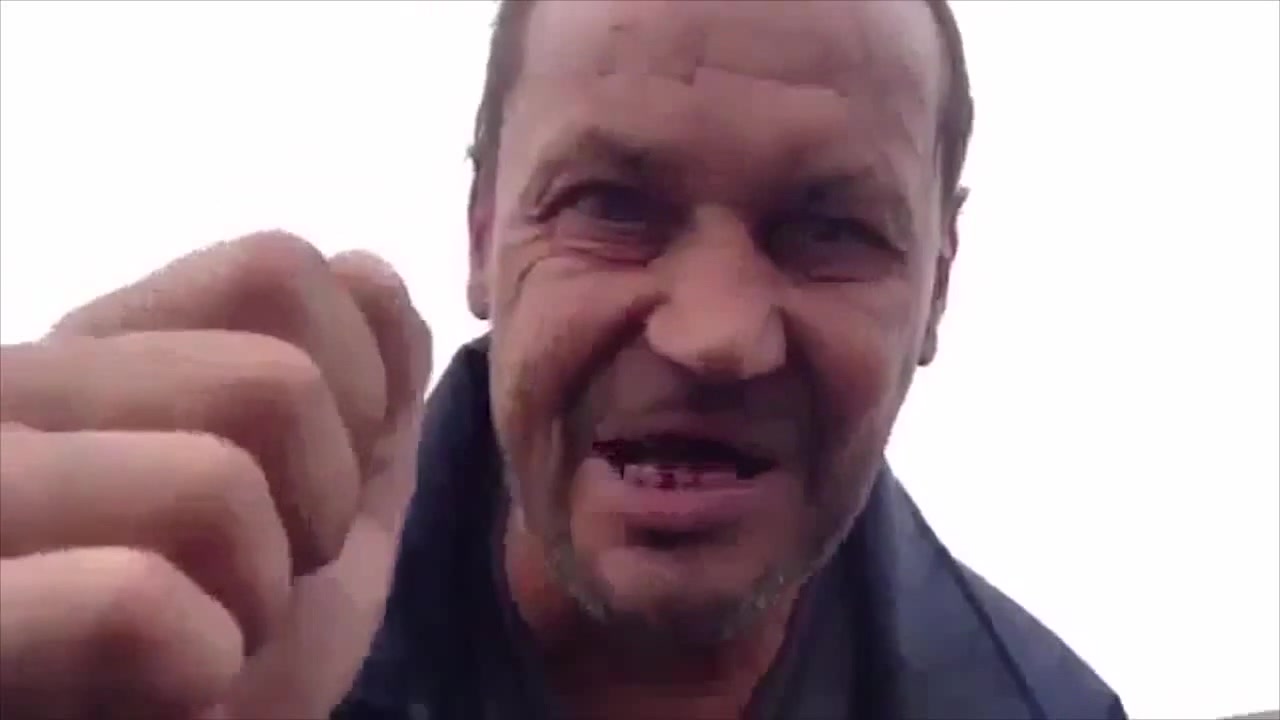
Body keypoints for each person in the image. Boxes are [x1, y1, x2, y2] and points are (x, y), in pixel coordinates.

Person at [0, 1, 1127, 719]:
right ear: (482, 233)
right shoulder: (236, 644)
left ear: (938, 282)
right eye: (610, 206)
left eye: (831, 230)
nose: (714, 334)